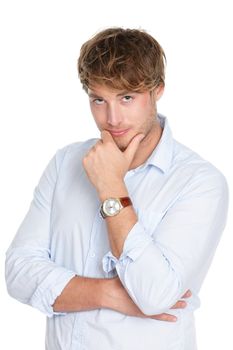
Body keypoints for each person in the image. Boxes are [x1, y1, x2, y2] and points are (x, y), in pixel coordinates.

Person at [5, 27, 228, 350]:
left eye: (127, 98)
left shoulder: (200, 182)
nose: (112, 118)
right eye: (99, 99)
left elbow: (153, 295)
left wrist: (111, 188)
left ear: (157, 90)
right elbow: (18, 272)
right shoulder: (66, 162)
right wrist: (108, 293)